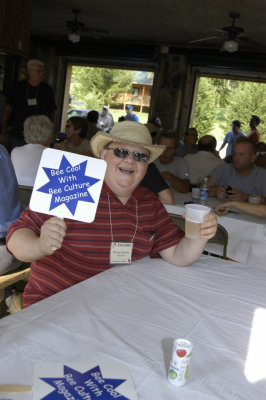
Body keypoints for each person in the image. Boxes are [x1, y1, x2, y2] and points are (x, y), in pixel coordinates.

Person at [7, 121, 217, 308]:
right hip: (55, 306)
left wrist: (200, 234)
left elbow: (178, 255)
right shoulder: (75, 183)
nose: (130, 161)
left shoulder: (150, 204)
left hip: (115, 308)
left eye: (140, 156)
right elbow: (16, 238)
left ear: (146, 166)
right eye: (121, 152)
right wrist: (39, 245)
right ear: (103, 154)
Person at [0, 59, 56, 149]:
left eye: (42, 71)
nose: (42, 74)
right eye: (39, 71)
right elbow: (7, 109)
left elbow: (51, 112)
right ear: (30, 71)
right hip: (19, 133)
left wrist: (51, 130)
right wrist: (3, 131)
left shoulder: (47, 89)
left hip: (41, 136)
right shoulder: (18, 87)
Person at [11, 115, 53, 186]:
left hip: (18, 194)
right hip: (39, 195)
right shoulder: (53, 154)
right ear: (47, 133)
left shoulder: (15, 151)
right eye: (52, 132)